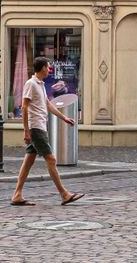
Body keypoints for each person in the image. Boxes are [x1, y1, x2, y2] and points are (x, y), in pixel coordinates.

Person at [12, 56, 84, 206]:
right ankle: (64, 194)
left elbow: (48, 105)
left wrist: (64, 118)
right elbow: (24, 107)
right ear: (43, 68)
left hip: (40, 127)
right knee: (51, 159)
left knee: (28, 161)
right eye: (48, 66)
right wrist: (26, 130)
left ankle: (17, 195)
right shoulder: (31, 84)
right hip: (36, 127)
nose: (50, 68)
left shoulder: (41, 85)